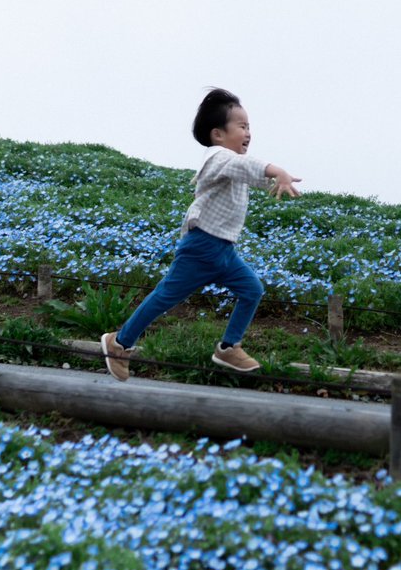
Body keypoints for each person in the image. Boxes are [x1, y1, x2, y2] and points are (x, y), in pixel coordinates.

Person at [100, 87, 301, 382]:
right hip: (202, 247)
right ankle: (119, 343)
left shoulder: (232, 165)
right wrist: (277, 170)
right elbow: (246, 165)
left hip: (223, 251)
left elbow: (249, 173)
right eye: (242, 126)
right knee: (165, 296)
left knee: (252, 289)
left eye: (250, 127)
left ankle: (229, 347)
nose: (248, 132)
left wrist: (275, 179)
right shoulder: (218, 157)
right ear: (218, 134)